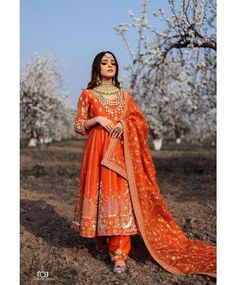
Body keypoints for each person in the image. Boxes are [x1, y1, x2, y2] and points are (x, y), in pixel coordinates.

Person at [71, 51, 216, 277]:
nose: (110, 65)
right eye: (104, 62)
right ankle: (101, 243)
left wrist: (123, 123)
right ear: (96, 68)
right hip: (96, 152)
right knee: (100, 195)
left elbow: (139, 121)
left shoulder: (125, 96)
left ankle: (119, 254)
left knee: (119, 198)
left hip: (121, 153)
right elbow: (79, 126)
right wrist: (98, 119)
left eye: (113, 63)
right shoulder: (87, 95)